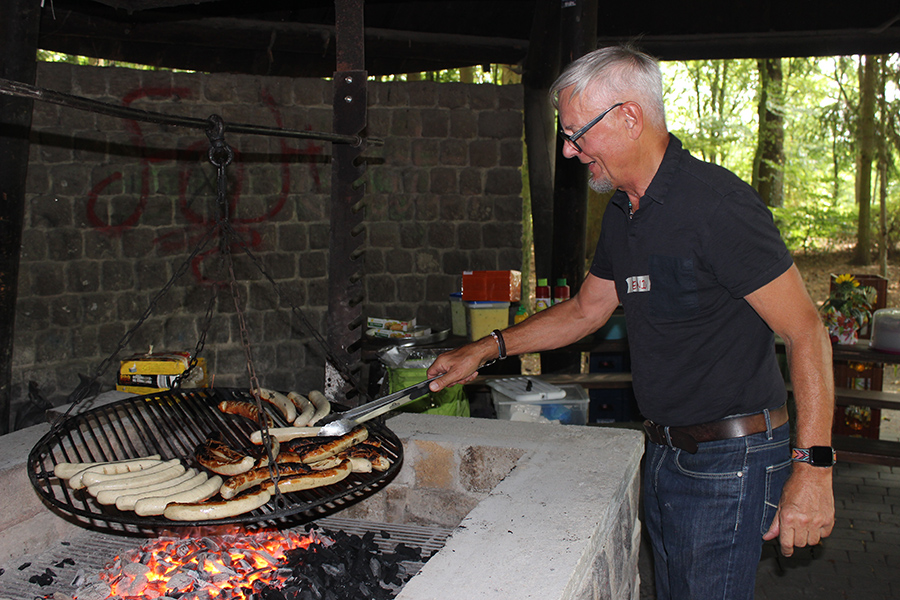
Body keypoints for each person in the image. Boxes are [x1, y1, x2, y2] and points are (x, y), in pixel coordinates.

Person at [427, 44, 835, 598]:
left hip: (732, 462)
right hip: (666, 451)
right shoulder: (624, 211)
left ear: (628, 117)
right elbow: (585, 310)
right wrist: (486, 348)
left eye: (577, 133)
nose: (570, 151)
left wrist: (812, 471)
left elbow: (806, 329)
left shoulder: (717, 206)